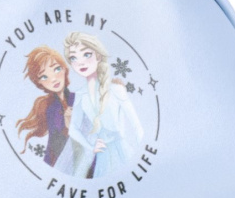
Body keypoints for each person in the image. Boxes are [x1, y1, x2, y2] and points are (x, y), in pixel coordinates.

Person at [55, 32, 143, 178]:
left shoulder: (116, 89)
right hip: (102, 157)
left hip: (122, 152)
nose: (80, 62)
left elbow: (136, 126)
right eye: (73, 58)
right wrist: (91, 147)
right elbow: (73, 129)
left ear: (98, 56)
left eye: (86, 54)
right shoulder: (80, 95)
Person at [16, 46, 75, 167]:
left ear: (64, 69)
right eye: (44, 77)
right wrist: (68, 127)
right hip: (60, 162)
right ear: (39, 82)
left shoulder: (78, 99)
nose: (53, 79)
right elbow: (55, 144)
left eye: (57, 69)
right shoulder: (50, 108)